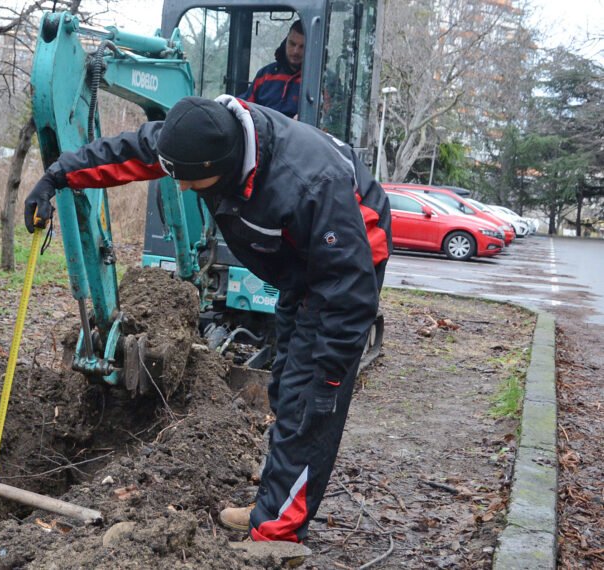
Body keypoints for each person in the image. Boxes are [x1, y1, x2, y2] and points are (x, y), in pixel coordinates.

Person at [23, 95, 391, 543]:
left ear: (226, 162)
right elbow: (130, 151)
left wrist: (331, 375)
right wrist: (57, 176)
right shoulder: (200, 133)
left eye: (191, 180)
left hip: (347, 258)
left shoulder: (310, 184)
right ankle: (272, 506)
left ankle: (276, 535)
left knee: (310, 397)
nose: (180, 188)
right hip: (300, 263)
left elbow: (349, 292)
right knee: (286, 385)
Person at [239, 19, 306, 118]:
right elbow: (244, 105)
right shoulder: (265, 75)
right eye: (292, 44)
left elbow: (331, 120)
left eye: (302, 47)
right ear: (285, 41)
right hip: (264, 131)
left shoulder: (322, 82)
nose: (296, 51)